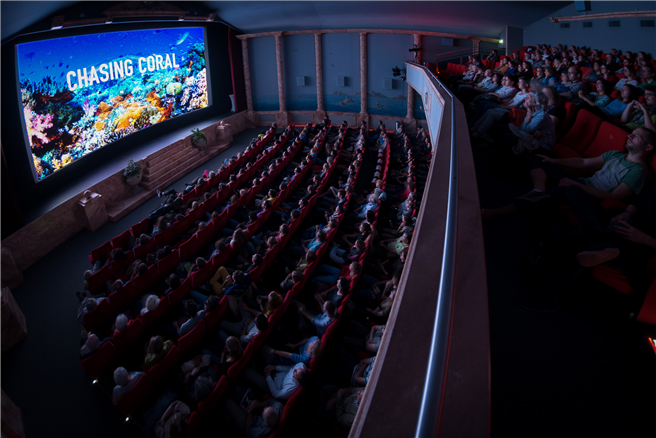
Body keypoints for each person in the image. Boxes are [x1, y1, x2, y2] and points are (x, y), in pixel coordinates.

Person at [483, 127, 656, 219]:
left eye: (637, 136)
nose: (630, 137)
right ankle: (538, 191)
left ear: (648, 147)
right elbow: (583, 162)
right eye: (631, 134)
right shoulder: (616, 154)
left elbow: (613, 198)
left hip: (590, 196)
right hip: (581, 182)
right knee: (539, 159)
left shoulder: (639, 172)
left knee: (550, 195)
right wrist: (553, 161)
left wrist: (575, 184)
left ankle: (495, 214)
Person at [243, 362, 309, 401]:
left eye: (295, 372)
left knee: (247, 372)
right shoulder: (301, 366)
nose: (294, 369)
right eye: (297, 369)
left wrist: (268, 377)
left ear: (297, 382)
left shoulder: (288, 390)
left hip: (272, 384)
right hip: (278, 373)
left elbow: (275, 393)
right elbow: (290, 368)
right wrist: (275, 367)